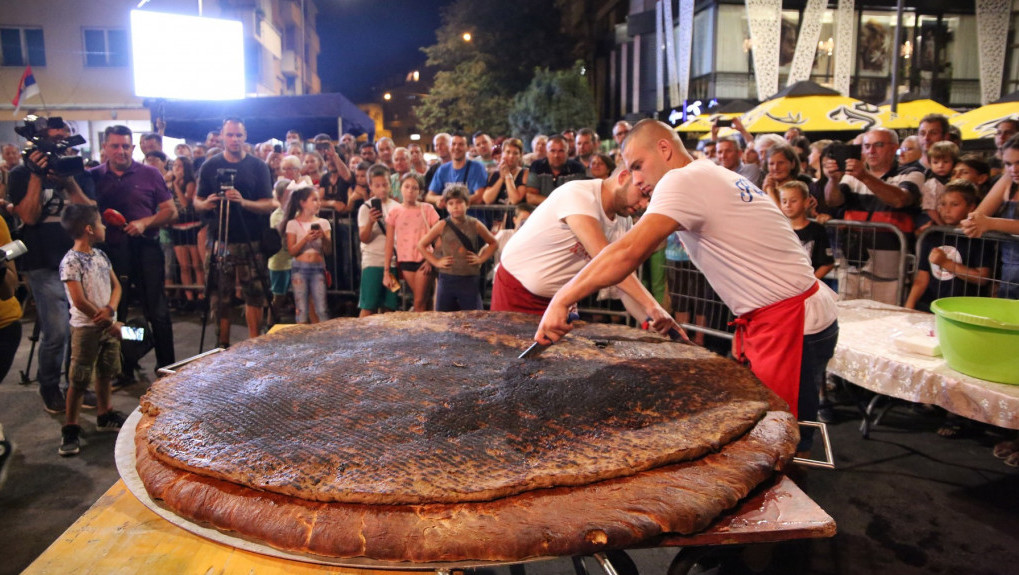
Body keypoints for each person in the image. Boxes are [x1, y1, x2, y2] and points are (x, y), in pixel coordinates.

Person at [536, 120, 839, 448]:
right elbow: (641, 247)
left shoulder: (683, 179)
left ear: (664, 149)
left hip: (791, 322)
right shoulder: (711, 174)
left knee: (780, 442)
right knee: (781, 431)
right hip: (796, 315)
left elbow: (625, 253)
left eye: (638, 165)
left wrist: (563, 298)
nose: (636, 179)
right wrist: (651, 307)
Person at [492, 165, 674, 330]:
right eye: (643, 194)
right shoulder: (578, 194)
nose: (644, 205)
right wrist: (653, 307)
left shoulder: (623, 221)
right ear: (623, 177)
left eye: (649, 198)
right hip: (515, 292)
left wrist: (651, 322)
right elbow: (606, 260)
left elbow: (621, 280)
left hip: (560, 302)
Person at [8, 117, 96, 413]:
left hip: (75, 261)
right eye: (51, 140)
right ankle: (49, 386)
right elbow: (29, 217)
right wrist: (36, 175)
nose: (57, 148)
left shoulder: (74, 171)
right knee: (57, 331)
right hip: (42, 261)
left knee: (80, 329)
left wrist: (69, 183)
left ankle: (76, 387)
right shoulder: (20, 174)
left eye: (63, 140)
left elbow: (89, 213)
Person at [91, 125, 177, 382]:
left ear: (133, 147)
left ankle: (168, 368)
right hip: (111, 253)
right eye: (115, 146)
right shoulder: (93, 176)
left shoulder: (150, 173)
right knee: (119, 314)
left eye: (126, 146)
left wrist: (145, 222)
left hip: (146, 249)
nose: (121, 151)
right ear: (105, 147)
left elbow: (170, 211)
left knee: (157, 312)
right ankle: (126, 364)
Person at [194, 118, 275, 346]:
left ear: (245, 136)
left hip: (252, 237)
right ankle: (222, 347)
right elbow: (197, 200)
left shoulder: (258, 166)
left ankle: (255, 344)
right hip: (220, 238)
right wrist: (205, 203)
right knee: (220, 296)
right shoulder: (210, 166)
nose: (234, 140)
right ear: (222, 136)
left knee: (255, 293)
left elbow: (269, 203)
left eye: (238, 135)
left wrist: (243, 202)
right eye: (230, 135)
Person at [823, 127, 924, 304]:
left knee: (884, 322)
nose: (871, 150)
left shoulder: (911, 173)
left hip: (889, 271)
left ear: (894, 148)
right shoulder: (852, 176)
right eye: (867, 146)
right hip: (852, 264)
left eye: (878, 145)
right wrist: (832, 180)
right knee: (848, 319)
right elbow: (833, 201)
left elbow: (900, 200)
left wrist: (865, 177)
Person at [58, 204, 127, 456]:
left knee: (106, 370)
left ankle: (104, 412)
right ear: (89, 229)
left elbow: (116, 286)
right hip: (86, 329)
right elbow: (78, 300)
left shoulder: (101, 256)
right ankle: (71, 426)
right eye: (100, 223)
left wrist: (111, 308)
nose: (104, 226)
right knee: (79, 377)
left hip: (108, 324)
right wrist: (108, 321)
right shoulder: (71, 262)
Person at [906, 180, 992, 312]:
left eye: (955, 204)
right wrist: (908, 307)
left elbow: (982, 278)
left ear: (971, 208)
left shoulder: (978, 238)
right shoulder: (932, 235)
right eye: (942, 204)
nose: (947, 210)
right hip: (930, 305)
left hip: (963, 310)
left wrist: (946, 263)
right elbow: (922, 278)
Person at [417, 185, 497, 312]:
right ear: (447, 206)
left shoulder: (475, 224)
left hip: (469, 279)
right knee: (444, 317)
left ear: (467, 204)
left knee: (474, 317)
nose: (455, 206)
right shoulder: (442, 225)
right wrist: (436, 262)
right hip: (447, 278)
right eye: (451, 203)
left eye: (459, 202)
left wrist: (481, 259)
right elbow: (421, 245)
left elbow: (493, 243)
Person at [961, 133, 1019, 300]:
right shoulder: (1008, 179)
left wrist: (990, 223)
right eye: (1008, 164)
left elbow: (986, 220)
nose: (1013, 169)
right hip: (1009, 274)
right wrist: (971, 222)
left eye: (1018, 163)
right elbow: (979, 214)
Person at [383, 174, 440, 312]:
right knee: (422, 300)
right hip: (405, 261)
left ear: (419, 191)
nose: (410, 191)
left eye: (414, 188)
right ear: (400, 188)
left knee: (419, 301)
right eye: (407, 186)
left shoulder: (427, 209)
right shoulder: (394, 212)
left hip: (424, 259)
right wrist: (386, 271)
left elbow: (439, 237)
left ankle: (420, 331)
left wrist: (431, 260)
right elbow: (389, 243)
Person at [283, 186, 331, 324]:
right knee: (301, 310)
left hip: (318, 268)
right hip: (299, 269)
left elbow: (328, 251)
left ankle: (326, 341)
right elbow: (292, 251)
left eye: (318, 200)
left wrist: (324, 237)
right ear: (302, 203)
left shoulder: (324, 223)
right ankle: (302, 342)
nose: (318, 203)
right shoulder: (293, 224)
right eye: (314, 200)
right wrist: (305, 239)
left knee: (322, 309)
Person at [357, 164, 399, 317]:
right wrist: (371, 222)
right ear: (370, 186)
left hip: (392, 263)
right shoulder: (365, 208)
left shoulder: (397, 207)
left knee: (390, 307)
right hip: (373, 262)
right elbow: (364, 238)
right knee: (369, 306)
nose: (382, 189)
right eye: (377, 185)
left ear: (390, 184)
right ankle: (359, 339)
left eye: (385, 184)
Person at [168, 156, 204, 311]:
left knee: (196, 264)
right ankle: (189, 298)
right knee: (184, 266)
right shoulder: (168, 185)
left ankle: (201, 296)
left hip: (192, 226)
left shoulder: (191, 184)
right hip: (177, 228)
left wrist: (176, 185)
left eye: (180, 166)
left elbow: (185, 203)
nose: (177, 168)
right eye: (175, 165)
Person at [426, 133, 487, 208]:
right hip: (451, 218)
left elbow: (479, 197)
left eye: (461, 144)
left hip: (472, 217)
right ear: (449, 147)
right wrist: (439, 199)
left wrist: (454, 203)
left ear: (467, 148)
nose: (456, 147)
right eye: (453, 144)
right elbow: (429, 196)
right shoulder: (442, 169)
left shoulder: (477, 167)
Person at [521, 135, 587, 205]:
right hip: (542, 212)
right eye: (552, 151)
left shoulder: (577, 168)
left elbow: (577, 198)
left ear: (567, 152)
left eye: (561, 151)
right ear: (547, 152)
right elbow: (531, 197)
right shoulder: (537, 166)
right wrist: (556, 204)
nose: (556, 155)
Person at [919, 141, 959, 229]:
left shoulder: (956, 180)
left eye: (946, 162)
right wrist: (942, 225)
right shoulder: (931, 184)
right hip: (934, 222)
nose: (941, 165)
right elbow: (930, 209)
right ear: (930, 163)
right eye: (935, 162)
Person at [480, 138, 528, 205]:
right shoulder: (495, 174)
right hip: (496, 214)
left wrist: (508, 175)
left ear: (520, 156)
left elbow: (515, 200)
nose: (511, 156)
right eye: (508, 152)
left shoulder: (524, 172)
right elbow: (487, 199)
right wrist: (502, 178)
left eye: (515, 153)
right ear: (502, 154)